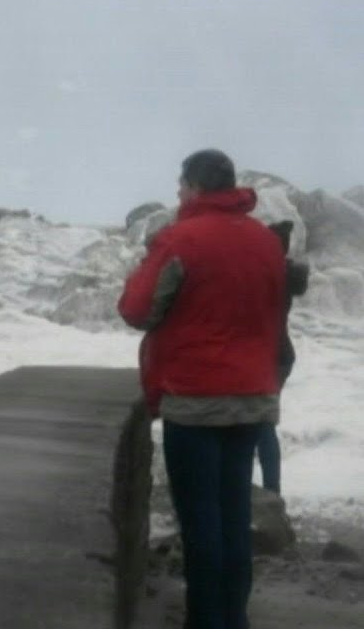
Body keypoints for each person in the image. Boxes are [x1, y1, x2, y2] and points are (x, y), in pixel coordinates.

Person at [118, 149, 286, 629]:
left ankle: (206, 621)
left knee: (201, 525)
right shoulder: (265, 242)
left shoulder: (182, 239)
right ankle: (234, 619)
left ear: (195, 187)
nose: (176, 192)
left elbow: (136, 309)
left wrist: (149, 261)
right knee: (234, 516)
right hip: (253, 397)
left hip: (195, 399)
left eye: (181, 184)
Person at [255, 221, 310, 495]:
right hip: (282, 355)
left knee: (257, 425)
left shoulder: (264, 275)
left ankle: (269, 493)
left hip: (264, 356)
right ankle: (271, 490)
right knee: (264, 424)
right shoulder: (287, 275)